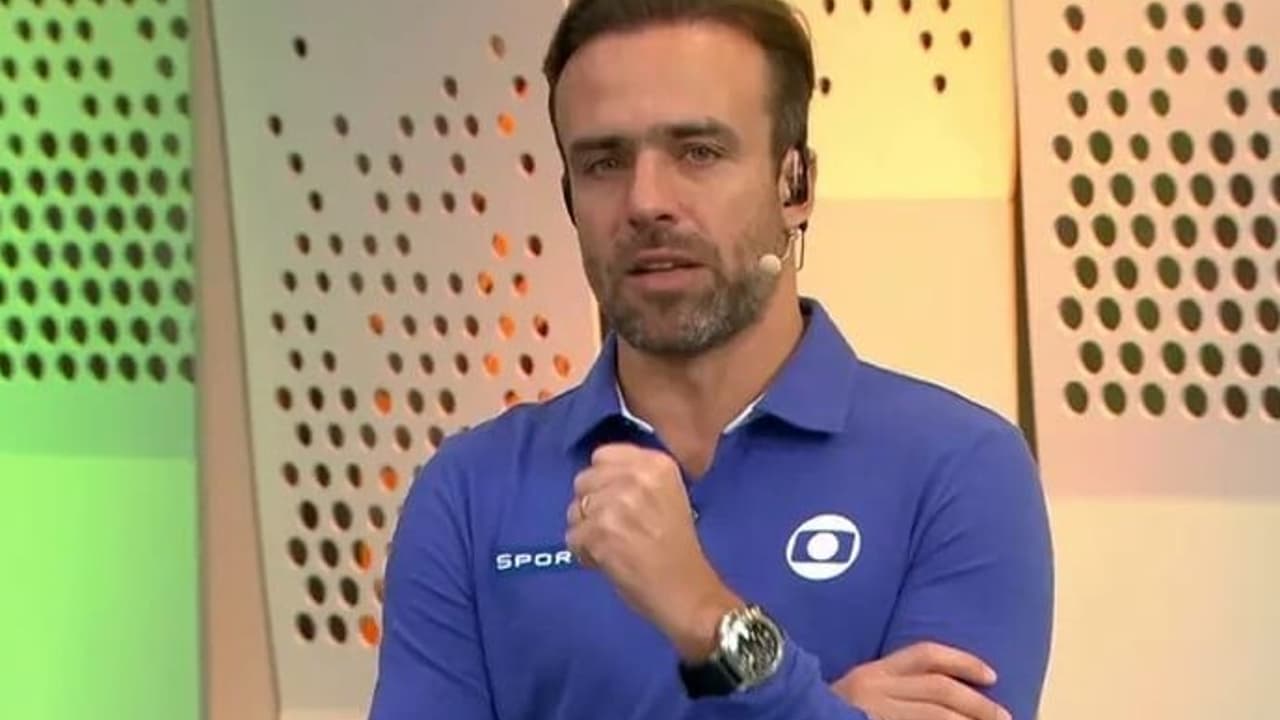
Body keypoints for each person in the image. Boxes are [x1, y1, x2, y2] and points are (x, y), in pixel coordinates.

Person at [368, 0, 1054, 717]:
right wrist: (820, 703)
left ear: (796, 184)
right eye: (604, 162)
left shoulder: (960, 468)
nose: (646, 201)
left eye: (698, 152)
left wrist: (707, 618)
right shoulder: (470, 493)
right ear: (569, 197)